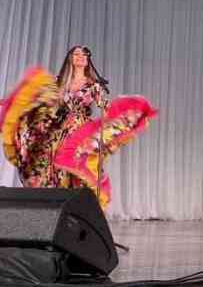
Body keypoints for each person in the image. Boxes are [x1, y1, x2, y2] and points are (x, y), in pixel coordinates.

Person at [0, 45, 157, 209]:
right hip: (58, 129)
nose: (80, 57)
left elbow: (106, 107)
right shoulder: (58, 81)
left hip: (80, 131)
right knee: (52, 167)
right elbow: (41, 101)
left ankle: (78, 210)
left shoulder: (93, 85)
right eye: (76, 54)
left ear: (88, 60)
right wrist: (12, 104)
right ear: (70, 58)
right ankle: (55, 207)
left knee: (76, 166)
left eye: (84, 54)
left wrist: (125, 117)